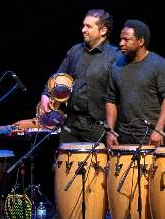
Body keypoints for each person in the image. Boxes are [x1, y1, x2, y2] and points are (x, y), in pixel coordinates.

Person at [38, 9, 121, 143]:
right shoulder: (75, 51)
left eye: (88, 26)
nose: (83, 29)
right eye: (83, 25)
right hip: (71, 123)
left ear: (103, 30)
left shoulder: (115, 56)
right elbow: (59, 75)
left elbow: (118, 94)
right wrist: (46, 94)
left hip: (98, 126)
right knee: (65, 163)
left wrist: (111, 130)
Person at [105, 20, 165, 147]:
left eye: (126, 40)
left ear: (141, 41)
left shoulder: (159, 64)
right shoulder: (116, 66)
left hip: (151, 137)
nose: (121, 43)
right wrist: (110, 131)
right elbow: (111, 100)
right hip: (123, 138)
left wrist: (159, 130)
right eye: (121, 39)